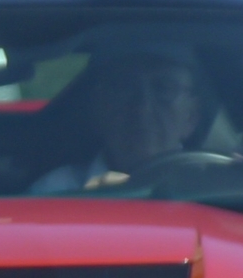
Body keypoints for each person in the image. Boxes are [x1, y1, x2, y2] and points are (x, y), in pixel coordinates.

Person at [29, 48, 214, 194]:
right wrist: (84, 208)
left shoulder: (218, 186)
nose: (142, 108)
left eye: (164, 89)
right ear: (97, 109)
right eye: (124, 87)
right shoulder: (57, 192)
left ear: (192, 116)